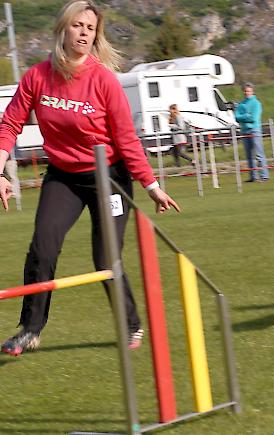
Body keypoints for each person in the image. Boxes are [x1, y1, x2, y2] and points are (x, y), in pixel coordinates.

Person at [0, 0, 180, 356]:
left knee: (105, 259)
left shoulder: (103, 81)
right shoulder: (37, 77)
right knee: (42, 248)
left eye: (90, 28)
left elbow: (127, 140)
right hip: (63, 177)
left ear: (96, 35)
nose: (83, 33)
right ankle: (30, 330)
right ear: (63, 29)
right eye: (77, 25)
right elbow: (9, 124)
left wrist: (152, 186)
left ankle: (131, 323)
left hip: (108, 177)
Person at [234, 83, 268, 182]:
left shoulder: (256, 103)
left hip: (254, 130)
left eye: (248, 91)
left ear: (252, 91)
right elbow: (236, 117)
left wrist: (244, 117)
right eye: (245, 91)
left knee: (259, 153)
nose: (246, 93)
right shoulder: (241, 104)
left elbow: (254, 118)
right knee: (249, 155)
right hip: (244, 130)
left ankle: (264, 175)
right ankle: (253, 176)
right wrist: (246, 116)